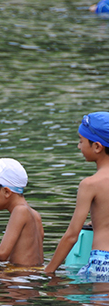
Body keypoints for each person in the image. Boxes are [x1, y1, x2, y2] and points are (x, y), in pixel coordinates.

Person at [45, 112, 109, 278]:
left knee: (95, 304)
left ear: (97, 146)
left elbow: (72, 235)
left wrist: (49, 271)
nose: (79, 146)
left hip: (103, 260)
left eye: (81, 141)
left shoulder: (90, 184)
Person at [0, 158, 44, 266]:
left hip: (17, 279)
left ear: (6, 192)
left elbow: (2, 253)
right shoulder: (35, 214)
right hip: (30, 276)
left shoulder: (20, 211)